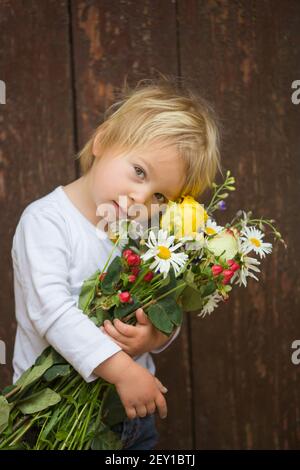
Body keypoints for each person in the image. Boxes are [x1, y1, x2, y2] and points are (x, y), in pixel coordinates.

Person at [11, 75, 222, 450]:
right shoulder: (47, 221)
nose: (141, 197)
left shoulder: (142, 234)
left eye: (159, 194)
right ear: (103, 140)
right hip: (53, 421)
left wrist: (154, 335)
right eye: (139, 171)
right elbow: (51, 311)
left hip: (128, 417)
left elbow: (162, 304)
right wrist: (122, 369)